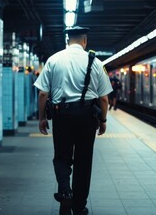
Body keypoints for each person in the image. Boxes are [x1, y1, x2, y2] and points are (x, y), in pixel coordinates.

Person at [34, 26, 113, 215]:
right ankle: (79, 205)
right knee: (83, 161)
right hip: (87, 118)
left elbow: (43, 93)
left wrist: (42, 118)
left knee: (61, 156)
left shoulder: (54, 60)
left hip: (62, 116)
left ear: (67, 40)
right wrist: (103, 120)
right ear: (85, 40)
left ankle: (65, 192)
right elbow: (103, 98)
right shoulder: (95, 62)